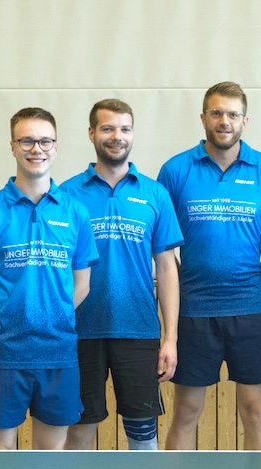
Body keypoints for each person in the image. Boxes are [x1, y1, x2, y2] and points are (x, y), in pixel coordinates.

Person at [157, 81, 261, 450]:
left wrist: (255, 288)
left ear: (244, 121)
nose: (224, 121)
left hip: (249, 312)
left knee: (256, 413)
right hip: (193, 313)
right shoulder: (175, 171)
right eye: (216, 113)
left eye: (232, 114)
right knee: (186, 411)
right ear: (203, 118)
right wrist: (181, 292)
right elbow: (162, 248)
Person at [0, 107, 99, 450]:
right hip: (1, 358)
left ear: (56, 145)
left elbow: (82, 285)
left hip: (58, 356)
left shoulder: (75, 213)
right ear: (12, 146)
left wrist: (54, 317)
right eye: (27, 141)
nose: (37, 149)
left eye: (45, 141)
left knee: (50, 457)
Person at [60, 99, 183, 450]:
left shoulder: (154, 193)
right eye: (108, 128)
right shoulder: (66, 195)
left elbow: (166, 268)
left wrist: (170, 338)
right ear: (91, 133)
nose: (117, 136)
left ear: (132, 133)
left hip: (139, 330)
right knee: (80, 430)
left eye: (124, 129)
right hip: (80, 333)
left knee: (143, 436)